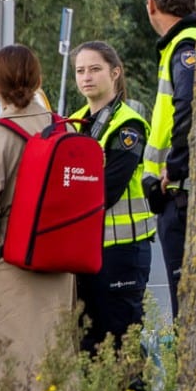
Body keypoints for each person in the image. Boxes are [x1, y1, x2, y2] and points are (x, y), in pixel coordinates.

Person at [0, 45, 76, 391]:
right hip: (59, 264)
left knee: (8, 378)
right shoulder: (64, 127)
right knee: (53, 371)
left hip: (10, 266)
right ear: (40, 80)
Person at [70, 41, 154, 360]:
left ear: (115, 73)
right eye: (80, 71)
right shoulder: (75, 121)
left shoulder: (127, 125)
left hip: (122, 249)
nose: (86, 77)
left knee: (121, 345)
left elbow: (108, 189)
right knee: (88, 346)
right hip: (84, 249)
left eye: (95, 69)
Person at [143, 0, 196, 314]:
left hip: (177, 195)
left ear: (151, 5)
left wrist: (175, 169)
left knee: (186, 307)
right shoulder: (181, 45)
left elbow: (187, 106)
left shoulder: (183, 47)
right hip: (174, 194)